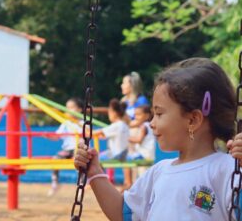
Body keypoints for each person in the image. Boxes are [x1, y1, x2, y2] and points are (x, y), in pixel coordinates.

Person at [74, 57, 242, 220]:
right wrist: (95, 172)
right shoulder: (158, 172)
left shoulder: (226, 170)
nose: (152, 123)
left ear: (193, 120)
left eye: (159, 114)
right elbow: (122, 213)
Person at [47, 97, 83, 196]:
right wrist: (49, 136)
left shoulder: (83, 122)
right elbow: (57, 136)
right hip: (68, 149)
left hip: (79, 149)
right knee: (55, 159)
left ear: (79, 109)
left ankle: (81, 184)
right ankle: (55, 183)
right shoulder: (66, 123)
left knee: (79, 161)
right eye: (67, 107)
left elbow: (86, 134)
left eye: (72, 107)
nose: (68, 110)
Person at [123, 105, 154, 190]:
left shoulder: (144, 126)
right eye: (135, 115)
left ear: (147, 116)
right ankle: (131, 184)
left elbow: (139, 139)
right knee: (144, 177)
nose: (136, 117)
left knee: (125, 160)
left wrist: (126, 137)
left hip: (143, 156)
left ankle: (128, 183)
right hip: (148, 155)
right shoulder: (149, 125)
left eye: (138, 115)